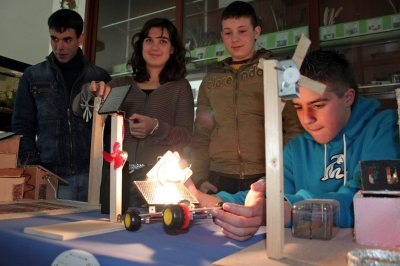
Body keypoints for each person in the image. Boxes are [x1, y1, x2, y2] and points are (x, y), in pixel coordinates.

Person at [185, 49, 400, 241]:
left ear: (348, 97)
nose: (306, 119)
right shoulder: (298, 147)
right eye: (298, 107)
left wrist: (286, 211)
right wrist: (209, 201)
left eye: (318, 105)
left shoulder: (385, 129)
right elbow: (266, 193)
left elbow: (367, 200)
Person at [73, 18, 194, 207]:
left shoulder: (180, 87)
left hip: (160, 178)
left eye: (162, 41)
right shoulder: (122, 84)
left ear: (172, 49)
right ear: (141, 45)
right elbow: (78, 111)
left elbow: (186, 136)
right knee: (110, 227)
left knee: (152, 229)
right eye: (149, 40)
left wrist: (156, 127)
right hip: (117, 172)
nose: (154, 47)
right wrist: (88, 92)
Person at [189, 1, 303, 195]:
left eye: (242, 31)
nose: (235, 39)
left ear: (256, 31)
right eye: (228, 33)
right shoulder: (210, 79)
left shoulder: (282, 69)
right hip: (219, 177)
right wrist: (199, 177)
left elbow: (295, 126)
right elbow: (201, 134)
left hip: (267, 173)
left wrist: (284, 172)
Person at [12, 9, 112, 202]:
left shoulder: (100, 77)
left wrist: (107, 168)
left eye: (67, 39)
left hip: (93, 174)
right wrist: (34, 168)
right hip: (52, 176)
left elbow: (110, 128)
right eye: (54, 39)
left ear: (80, 38)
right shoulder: (33, 76)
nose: (59, 46)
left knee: (92, 231)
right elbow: (22, 126)